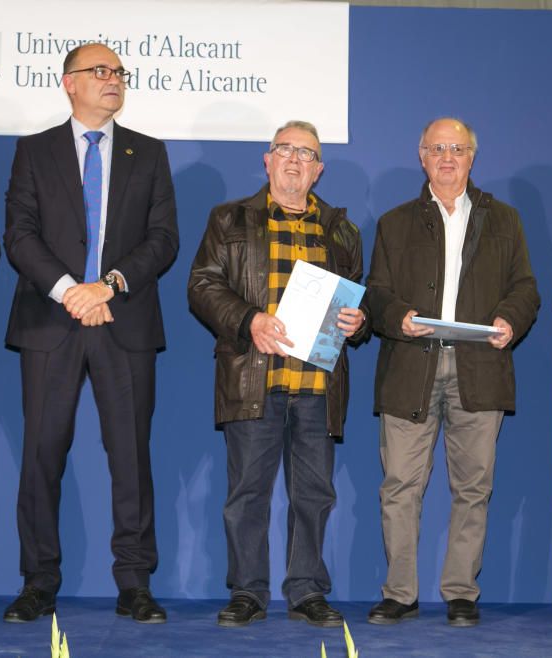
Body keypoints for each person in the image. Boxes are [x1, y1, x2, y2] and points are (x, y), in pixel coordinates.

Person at [2, 43, 179, 624]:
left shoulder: (148, 153)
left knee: (130, 459)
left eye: (119, 73)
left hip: (122, 321)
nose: (112, 80)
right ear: (68, 82)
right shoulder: (34, 151)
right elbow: (20, 236)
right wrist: (69, 290)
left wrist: (107, 285)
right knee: (41, 457)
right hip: (51, 322)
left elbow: (162, 238)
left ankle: (134, 583)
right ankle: (38, 581)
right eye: (99, 71)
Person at [187, 120, 367, 628]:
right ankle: (248, 591)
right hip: (253, 379)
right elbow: (201, 286)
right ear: (267, 161)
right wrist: (250, 320)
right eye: (284, 149)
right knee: (247, 494)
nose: (294, 159)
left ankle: (307, 590)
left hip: (317, 386)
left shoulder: (341, 229)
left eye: (306, 153)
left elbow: (358, 300)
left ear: (318, 170)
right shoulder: (230, 219)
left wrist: (360, 320)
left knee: (315, 495)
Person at [365, 117, 539, 627]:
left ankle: (461, 591)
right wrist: (397, 316)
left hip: (479, 366)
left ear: (471, 158)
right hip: (408, 367)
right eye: (437, 148)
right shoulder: (395, 222)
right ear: (421, 156)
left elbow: (526, 287)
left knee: (474, 486)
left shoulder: (504, 219)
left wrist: (511, 318)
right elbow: (375, 292)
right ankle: (400, 593)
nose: (447, 157)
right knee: (399, 484)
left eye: (457, 149)